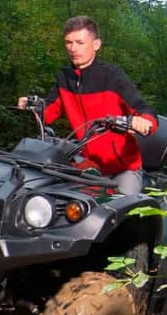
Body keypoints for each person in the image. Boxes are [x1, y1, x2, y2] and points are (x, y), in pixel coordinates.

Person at [17, 16, 157, 194]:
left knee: (120, 208)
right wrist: (34, 105)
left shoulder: (112, 76)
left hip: (123, 169)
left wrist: (144, 122)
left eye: (80, 42)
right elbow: (49, 113)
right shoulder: (64, 78)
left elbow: (144, 109)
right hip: (87, 166)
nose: (73, 48)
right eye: (68, 42)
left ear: (96, 44)